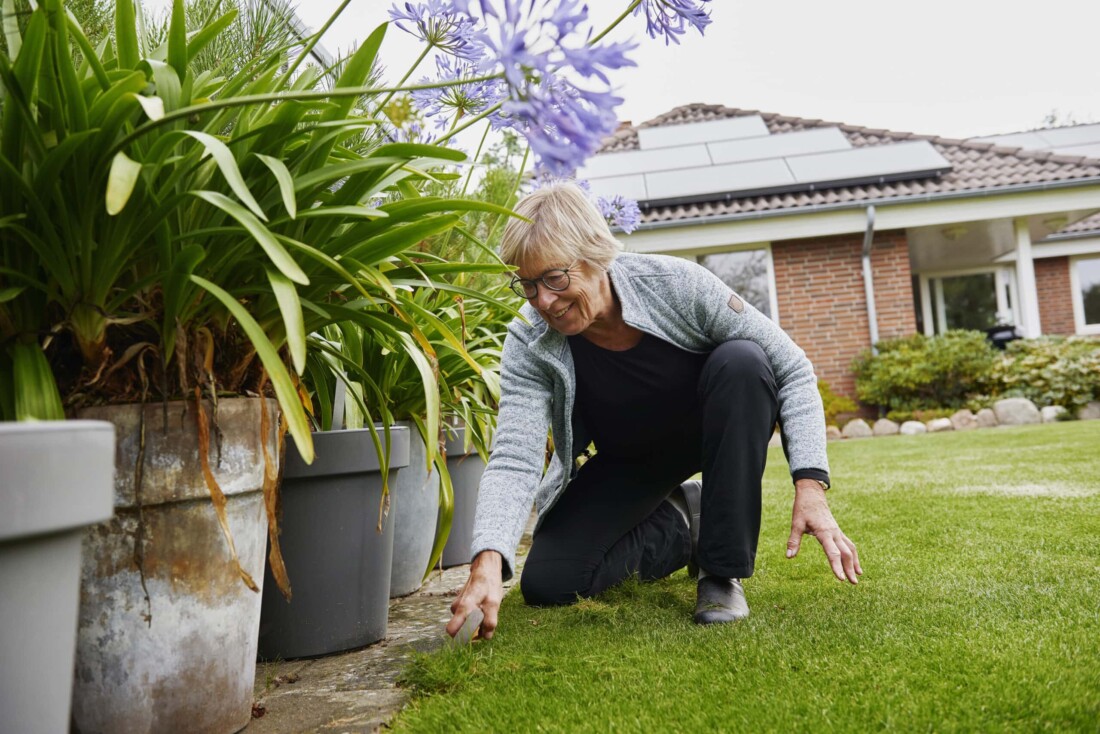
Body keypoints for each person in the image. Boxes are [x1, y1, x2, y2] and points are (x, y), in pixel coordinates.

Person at [446, 182, 860, 639]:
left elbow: (793, 369)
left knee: (744, 361)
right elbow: (515, 454)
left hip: (710, 431)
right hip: (627, 458)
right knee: (551, 582)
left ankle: (721, 572)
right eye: (526, 284)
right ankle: (688, 519)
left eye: (554, 279)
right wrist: (487, 560)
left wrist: (810, 482)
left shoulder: (676, 285)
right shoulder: (529, 341)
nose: (542, 300)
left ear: (594, 254)